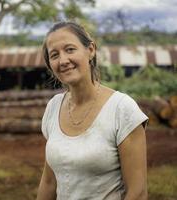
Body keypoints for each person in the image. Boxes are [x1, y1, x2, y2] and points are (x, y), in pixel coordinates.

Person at [36, 21, 148, 200]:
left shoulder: (122, 109)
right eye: (54, 55)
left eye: (70, 49)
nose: (63, 60)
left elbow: (138, 192)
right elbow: (49, 181)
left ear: (90, 50)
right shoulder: (53, 108)